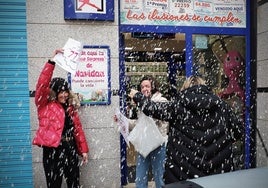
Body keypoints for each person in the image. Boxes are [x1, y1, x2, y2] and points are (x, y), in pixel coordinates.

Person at [130, 76, 243, 185]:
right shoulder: (221, 106)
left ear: (184, 88)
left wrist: (137, 96)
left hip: (183, 174)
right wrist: (220, 142)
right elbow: (238, 131)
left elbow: (152, 108)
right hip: (217, 175)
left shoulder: (178, 106)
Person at [32, 49, 89, 188]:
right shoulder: (44, 105)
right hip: (53, 151)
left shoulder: (70, 108)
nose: (63, 95)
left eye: (65, 91)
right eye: (60, 91)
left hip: (70, 148)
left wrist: (83, 150)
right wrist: (52, 62)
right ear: (54, 92)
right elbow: (41, 85)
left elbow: (77, 130)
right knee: (54, 184)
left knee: (74, 183)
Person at [114, 76, 169, 188]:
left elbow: (154, 116)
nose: (144, 89)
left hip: (159, 144)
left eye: (147, 86)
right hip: (144, 144)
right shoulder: (142, 104)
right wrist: (123, 121)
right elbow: (139, 124)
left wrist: (141, 101)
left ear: (153, 87)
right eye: (142, 87)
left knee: (160, 177)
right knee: (140, 177)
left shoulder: (162, 101)